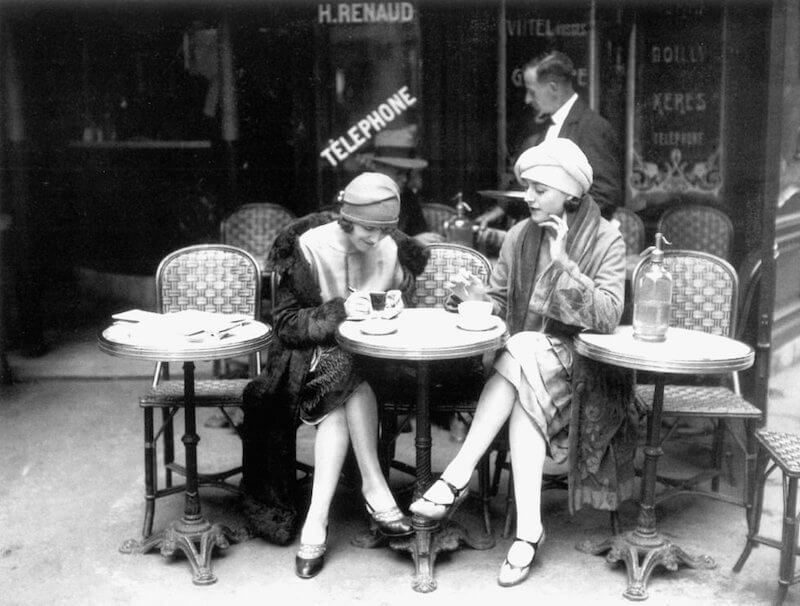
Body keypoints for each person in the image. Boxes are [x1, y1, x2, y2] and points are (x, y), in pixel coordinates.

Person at [409, 138, 627, 587]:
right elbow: (499, 299)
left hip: (584, 364)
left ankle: (457, 474)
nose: (527, 196)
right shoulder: (519, 236)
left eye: (538, 189)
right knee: (525, 365)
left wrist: (565, 263)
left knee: (522, 350)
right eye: (526, 186)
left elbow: (607, 316)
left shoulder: (607, 238)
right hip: (528, 365)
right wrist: (473, 298)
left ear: (570, 194)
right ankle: (530, 530)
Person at [240, 172, 429, 579]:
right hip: (304, 360)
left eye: (385, 231)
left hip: (376, 360)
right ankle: (374, 488)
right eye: (368, 229)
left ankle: (316, 523)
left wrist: (396, 302)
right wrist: (338, 311)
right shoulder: (307, 247)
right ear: (346, 218)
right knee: (345, 372)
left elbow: (400, 297)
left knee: (348, 380)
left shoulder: (389, 246)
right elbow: (287, 326)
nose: (376, 239)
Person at [477, 50, 623, 228]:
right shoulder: (542, 127)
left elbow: (605, 195)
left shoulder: (593, 128)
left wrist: (561, 225)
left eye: (532, 92)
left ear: (553, 88)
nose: (527, 99)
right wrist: (501, 210)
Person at [357, 126, 444, 246]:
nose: (404, 179)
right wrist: (410, 242)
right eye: (398, 173)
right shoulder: (359, 198)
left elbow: (420, 232)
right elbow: (365, 246)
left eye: (407, 173)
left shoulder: (407, 197)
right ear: (378, 168)